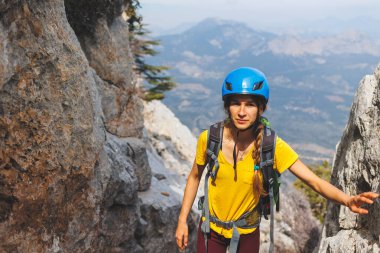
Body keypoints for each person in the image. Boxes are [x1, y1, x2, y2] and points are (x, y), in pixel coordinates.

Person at [175, 67, 379, 253]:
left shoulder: (271, 146)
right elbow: (194, 177)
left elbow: (313, 181)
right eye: (236, 103)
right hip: (211, 231)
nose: (242, 112)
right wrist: (182, 220)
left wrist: (347, 200)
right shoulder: (210, 139)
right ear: (227, 107)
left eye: (250, 105)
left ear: (261, 109)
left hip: (246, 232)